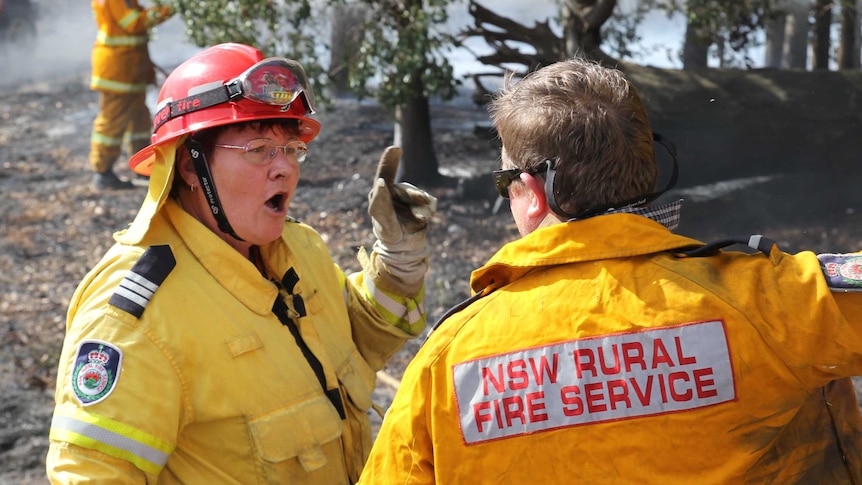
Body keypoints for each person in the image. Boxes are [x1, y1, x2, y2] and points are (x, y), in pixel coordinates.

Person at [359, 57, 862, 483]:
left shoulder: (446, 361)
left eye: (503, 181)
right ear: (648, 168)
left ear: (533, 194)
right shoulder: (770, 300)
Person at [46, 42, 436, 483]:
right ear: (191, 166)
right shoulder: (136, 319)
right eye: (259, 149)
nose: (284, 169)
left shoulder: (300, 248)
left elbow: (355, 346)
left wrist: (398, 266)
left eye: (292, 149)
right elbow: (90, 474)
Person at [88, 0, 173, 190]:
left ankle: (142, 168)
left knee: (140, 121)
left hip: (131, 68)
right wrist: (169, 9)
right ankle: (102, 172)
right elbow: (134, 23)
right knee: (112, 121)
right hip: (117, 71)